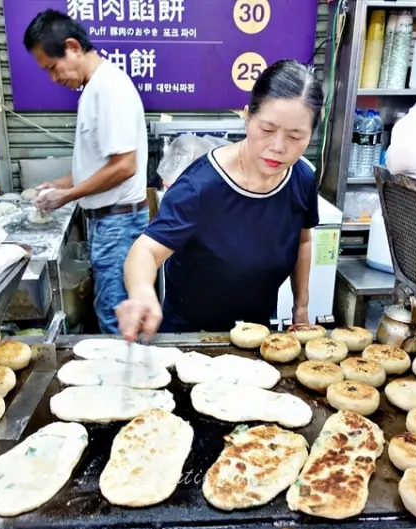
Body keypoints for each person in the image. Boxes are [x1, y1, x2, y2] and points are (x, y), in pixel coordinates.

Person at [116, 59, 323, 341]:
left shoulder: (302, 180)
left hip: (256, 336)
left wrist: (301, 307)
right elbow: (145, 251)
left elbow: (303, 240)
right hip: (189, 337)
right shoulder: (201, 186)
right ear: (247, 117)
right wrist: (142, 292)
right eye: (267, 129)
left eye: (295, 136)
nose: (278, 147)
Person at [23, 9, 149, 334]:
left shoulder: (109, 89)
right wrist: (60, 184)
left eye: (52, 67)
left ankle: (130, 369)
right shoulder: (94, 88)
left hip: (118, 225)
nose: (54, 79)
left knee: (117, 319)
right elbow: (99, 164)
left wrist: (67, 196)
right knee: (111, 311)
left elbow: (125, 166)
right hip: (108, 223)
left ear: (73, 47)